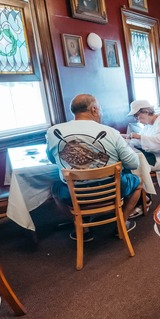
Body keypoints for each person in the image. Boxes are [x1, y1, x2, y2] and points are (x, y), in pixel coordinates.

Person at [46, 94, 141, 239]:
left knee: (55, 191)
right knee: (137, 184)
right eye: (100, 109)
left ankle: (81, 227)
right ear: (94, 109)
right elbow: (134, 163)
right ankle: (121, 223)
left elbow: (52, 160)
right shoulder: (111, 133)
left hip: (75, 194)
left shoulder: (52, 132)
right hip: (111, 190)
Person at [127, 100, 160, 189]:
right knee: (129, 161)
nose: (137, 119)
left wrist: (139, 137)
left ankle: (142, 194)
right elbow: (139, 141)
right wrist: (128, 140)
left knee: (131, 163)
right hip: (154, 155)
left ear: (146, 111)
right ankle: (141, 194)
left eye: (137, 116)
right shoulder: (148, 125)